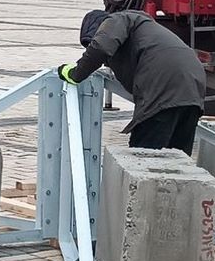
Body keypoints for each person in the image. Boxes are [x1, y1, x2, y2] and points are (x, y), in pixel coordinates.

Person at [58, 10, 206, 155]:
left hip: (164, 85)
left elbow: (101, 48)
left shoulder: (116, 20)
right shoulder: (143, 30)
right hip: (193, 87)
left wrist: (75, 73)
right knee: (178, 162)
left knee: (142, 157)